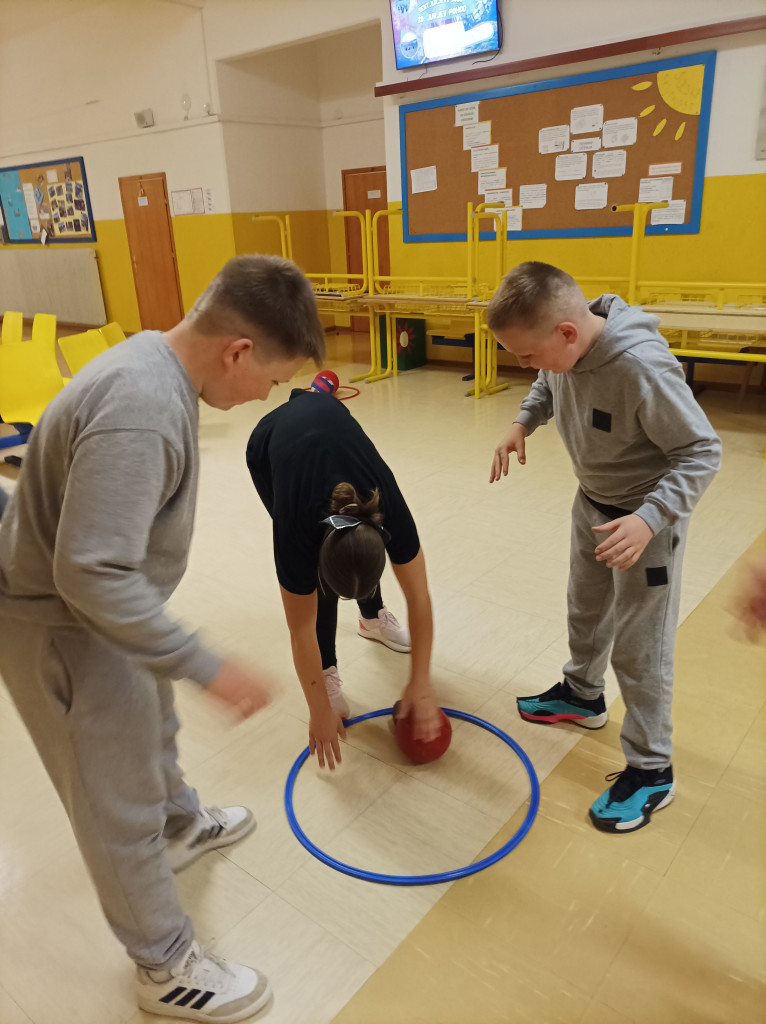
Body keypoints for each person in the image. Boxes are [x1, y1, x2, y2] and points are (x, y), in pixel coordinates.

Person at [0, 254, 325, 1022]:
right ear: (237, 351)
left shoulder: (154, 360)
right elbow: (90, 575)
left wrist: (167, 656)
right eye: (272, 379)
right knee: (113, 801)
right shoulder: (142, 407)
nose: (266, 396)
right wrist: (204, 664)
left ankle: (180, 824)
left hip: (109, 615)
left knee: (154, 724)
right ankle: (164, 964)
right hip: (63, 628)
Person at [488, 261, 721, 834]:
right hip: (593, 503)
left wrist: (648, 519)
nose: (525, 366)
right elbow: (549, 382)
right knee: (585, 608)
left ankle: (652, 768)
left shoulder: (641, 367)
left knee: (641, 650)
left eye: (527, 354)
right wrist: (523, 422)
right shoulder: (564, 349)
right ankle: (582, 695)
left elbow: (702, 452)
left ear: (567, 332)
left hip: (645, 525)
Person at [245, 385, 442, 770]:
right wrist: (318, 707)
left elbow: (419, 597)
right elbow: (300, 631)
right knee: (318, 590)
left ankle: (372, 618)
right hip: (271, 447)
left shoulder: (390, 509)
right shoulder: (295, 529)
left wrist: (421, 681)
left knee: (354, 560)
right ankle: (328, 669)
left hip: (329, 423)